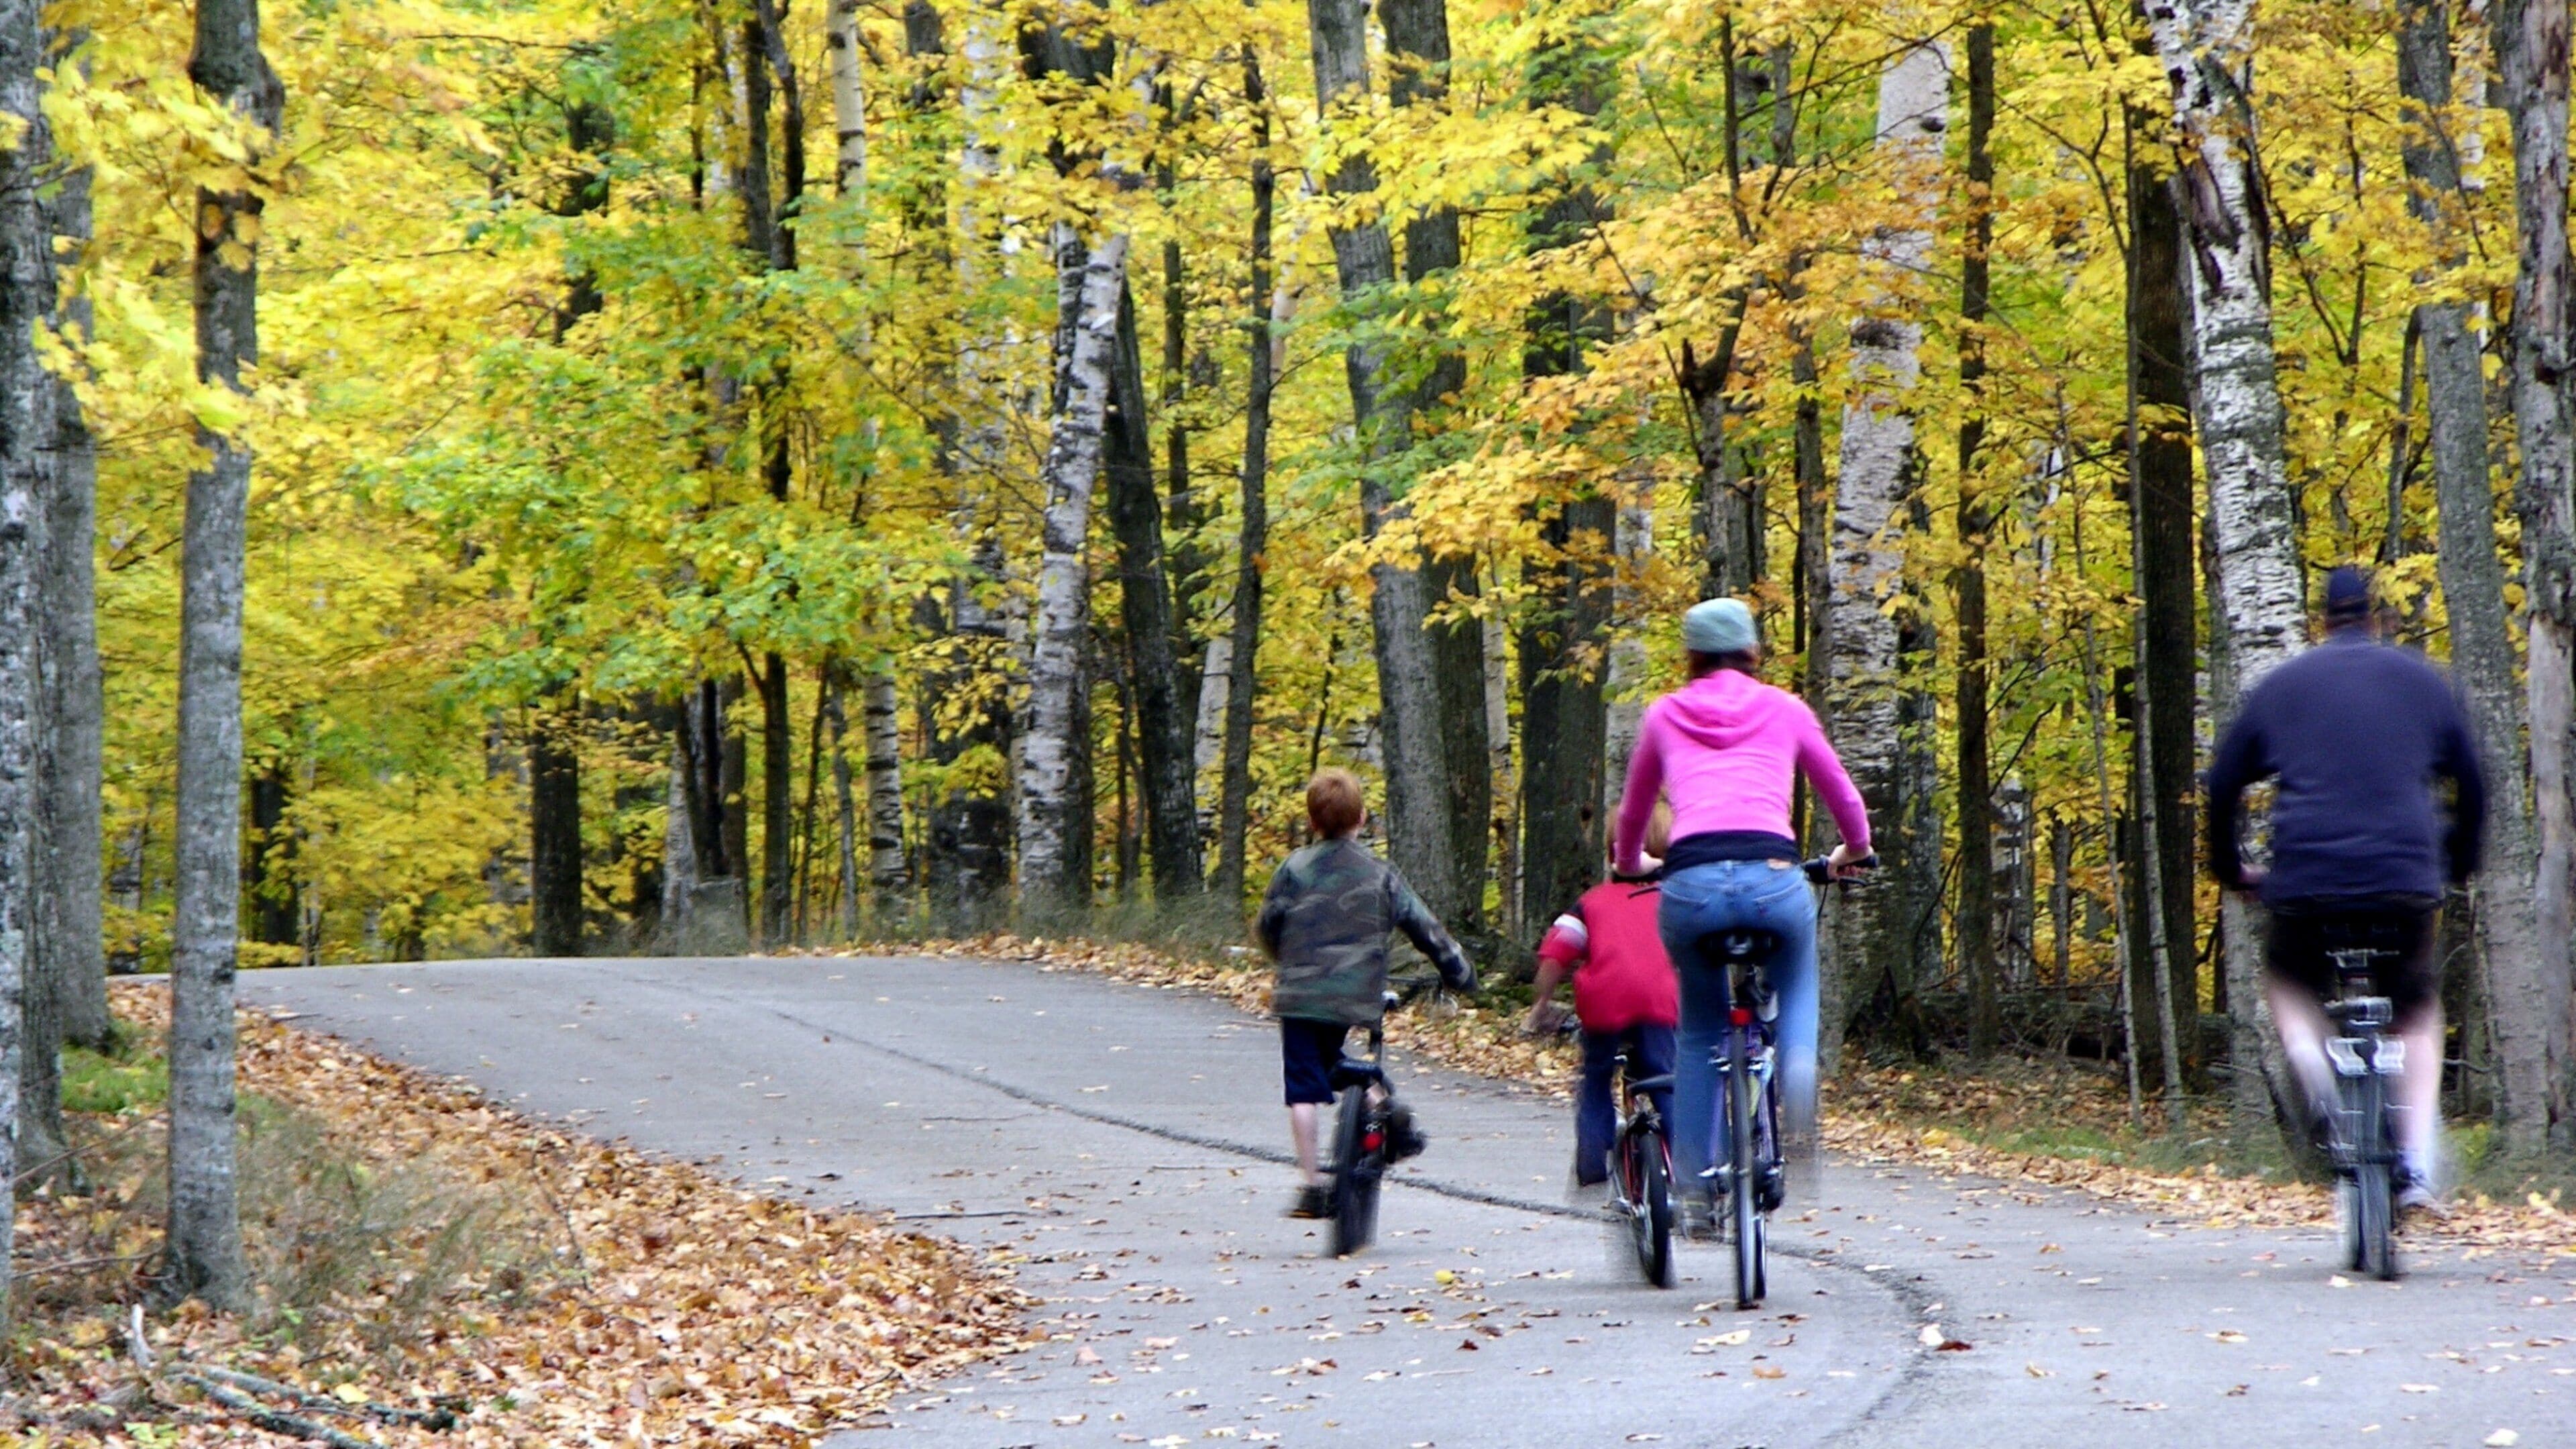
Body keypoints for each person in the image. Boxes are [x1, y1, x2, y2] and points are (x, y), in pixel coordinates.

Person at [2206, 566, 2485, 1212]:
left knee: (2290, 982)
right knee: (2414, 1009)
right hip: (2403, 880)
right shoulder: (2423, 680)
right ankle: (2413, 1163)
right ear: (2377, 617)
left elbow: (2223, 785)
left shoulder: (2283, 686)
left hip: (2306, 880)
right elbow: (2473, 779)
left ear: (2322, 620)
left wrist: (2234, 872)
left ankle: (2321, 1086)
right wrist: (2457, 863)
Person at [1611, 598, 1870, 1224]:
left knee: (1699, 1033)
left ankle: (1698, 1188)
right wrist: (1853, 851)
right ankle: (1801, 1074)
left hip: (1691, 886)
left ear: (1692, 653)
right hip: (1773, 879)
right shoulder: (1785, 708)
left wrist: (1629, 865)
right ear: (1752, 649)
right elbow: (1843, 795)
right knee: (1797, 974)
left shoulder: (1664, 715)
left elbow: (1634, 816)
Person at [1256, 768, 1479, 1219]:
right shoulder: (1381, 875)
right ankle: (1382, 1107)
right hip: (1357, 996)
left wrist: (1286, 960)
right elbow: (1426, 929)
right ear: (1361, 818)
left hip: (1299, 993)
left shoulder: (1293, 868)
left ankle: (1312, 1184)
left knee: (1304, 1084)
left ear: (1313, 821)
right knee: (1344, 1062)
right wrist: (1459, 972)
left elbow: (1268, 925)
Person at [1529, 800, 1678, 1189]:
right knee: (1666, 1080)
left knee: (1596, 1078)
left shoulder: (1591, 902)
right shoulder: (1677, 902)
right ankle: (1690, 1164)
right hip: (1658, 1003)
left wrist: (1540, 1006)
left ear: (1615, 851)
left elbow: (1555, 953)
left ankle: (1592, 1162)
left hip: (1604, 1003)